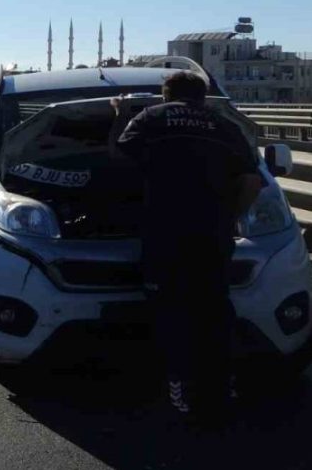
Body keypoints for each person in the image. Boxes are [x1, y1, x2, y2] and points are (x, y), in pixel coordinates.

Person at [112, 71, 263, 419]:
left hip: (165, 232)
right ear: (204, 96)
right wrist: (230, 218)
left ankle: (178, 386)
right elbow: (253, 179)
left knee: (171, 310)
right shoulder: (223, 124)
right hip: (213, 234)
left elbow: (120, 154)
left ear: (166, 95)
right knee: (214, 308)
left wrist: (119, 113)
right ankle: (222, 383)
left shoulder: (150, 117)